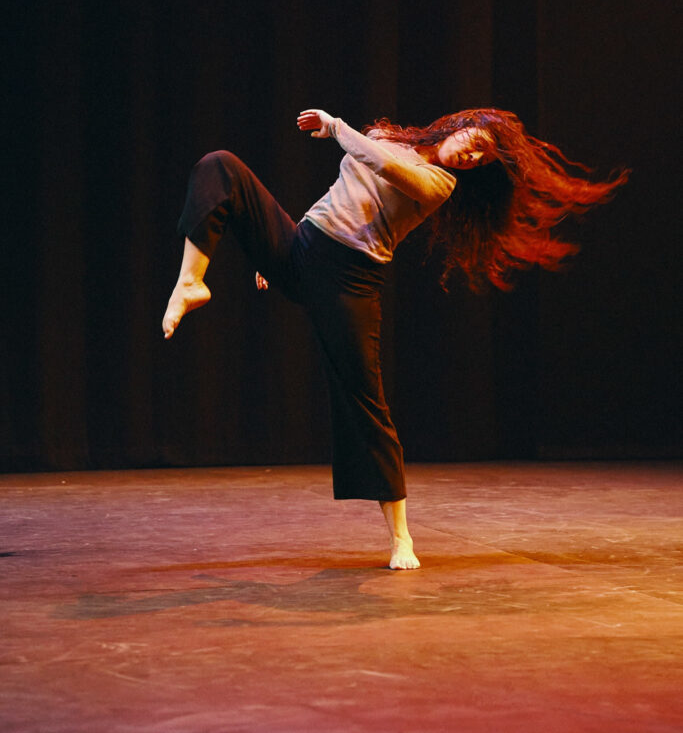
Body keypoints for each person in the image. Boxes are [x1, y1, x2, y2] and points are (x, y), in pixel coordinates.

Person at [162, 108, 628, 569]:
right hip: (303, 247)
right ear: (460, 125)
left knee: (366, 401)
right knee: (219, 165)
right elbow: (341, 191)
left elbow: (384, 167)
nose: (472, 155)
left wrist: (337, 128)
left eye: (482, 160)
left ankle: (400, 536)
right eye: (476, 142)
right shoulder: (388, 136)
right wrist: (279, 248)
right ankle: (191, 281)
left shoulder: (438, 183)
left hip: (349, 280)